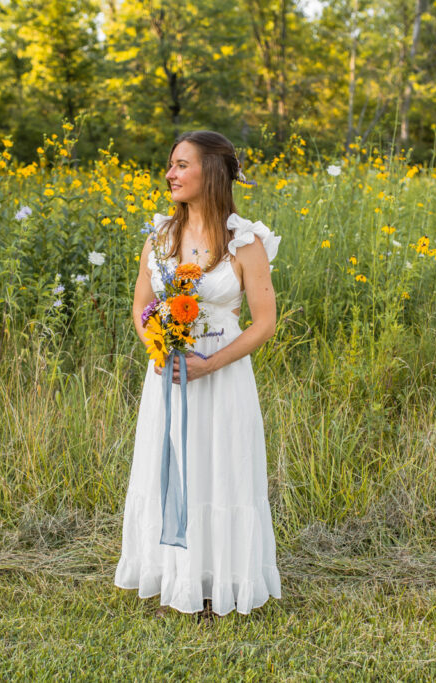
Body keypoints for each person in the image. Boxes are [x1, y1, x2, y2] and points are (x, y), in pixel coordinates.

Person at [114, 130, 282, 620]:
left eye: (181, 164)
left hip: (222, 374)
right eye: (170, 164)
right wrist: (158, 348)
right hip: (167, 374)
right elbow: (141, 305)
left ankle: (220, 579)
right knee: (174, 467)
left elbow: (265, 322)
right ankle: (174, 573)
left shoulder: (244, 241)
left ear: (210, 172)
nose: (170, 173)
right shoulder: (160, 236)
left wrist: (210, 363)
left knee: (220, 467)